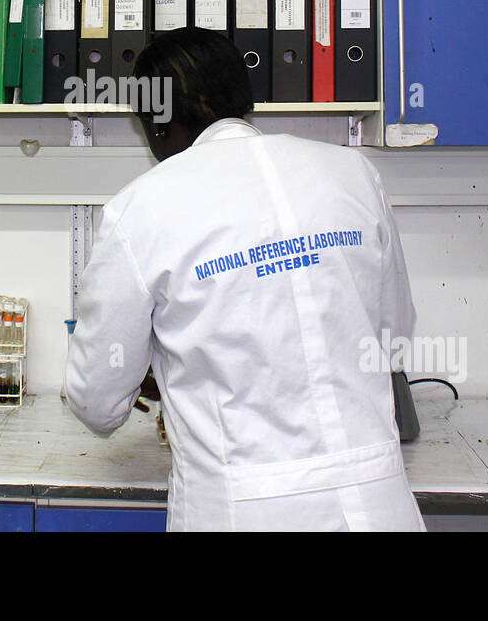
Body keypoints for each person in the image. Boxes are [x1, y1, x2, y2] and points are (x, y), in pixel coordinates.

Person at [64, 27, 424, 531]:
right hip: (376, 507)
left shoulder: (142, 207)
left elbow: (94, 401)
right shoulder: (352, 172)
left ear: (155, 123)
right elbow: (393, 335)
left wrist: (162, 362)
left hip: (242, 510)